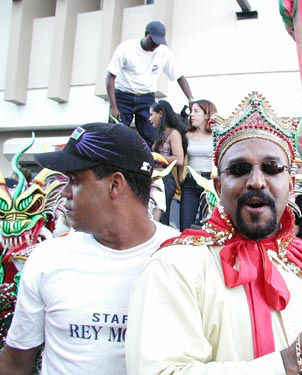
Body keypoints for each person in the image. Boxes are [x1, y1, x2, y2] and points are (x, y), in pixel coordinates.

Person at [126, 92, 302, 375]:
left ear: (291, 183)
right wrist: (290, 362)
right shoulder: (176, 268)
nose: (256, 181)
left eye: (272, 168)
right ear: (219, 185)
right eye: (239, 169)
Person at [0, 123, 178, 375]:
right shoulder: (47, 259)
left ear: (115, 184)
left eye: (74, 181)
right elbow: (15, 363)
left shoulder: (180, 256)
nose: (64, 193)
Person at [106, 21, 193, 148]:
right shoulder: (126, 48)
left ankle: (148, 164)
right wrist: (114, 106)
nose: (155, 45)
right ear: (146, 34)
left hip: (146, 98)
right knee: (117, 135)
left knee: (152, 136)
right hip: (123, 96)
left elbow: (180, 77)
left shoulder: (164, 52)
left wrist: (191, 99)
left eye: (159, 42)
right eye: (153, 41)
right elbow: (110, 77)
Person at [179, 99, 217, 230]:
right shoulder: (188, 135)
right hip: (190, 182)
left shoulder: (216, 136)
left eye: (196, 111)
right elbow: (182, 158)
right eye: (191, 111)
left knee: (207, 225)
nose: (191, 115)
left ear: (207, 114)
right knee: (185, 226)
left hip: (209, 183)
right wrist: (181, 177)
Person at [150, 100, 188, 225]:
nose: (150, 119)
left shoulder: (174, 133)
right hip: (156, 178)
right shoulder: (161, 133)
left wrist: (156, 157)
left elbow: (179, 159)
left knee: (160, 219)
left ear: (160, 114)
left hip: (165, 179)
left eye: (152, 114)